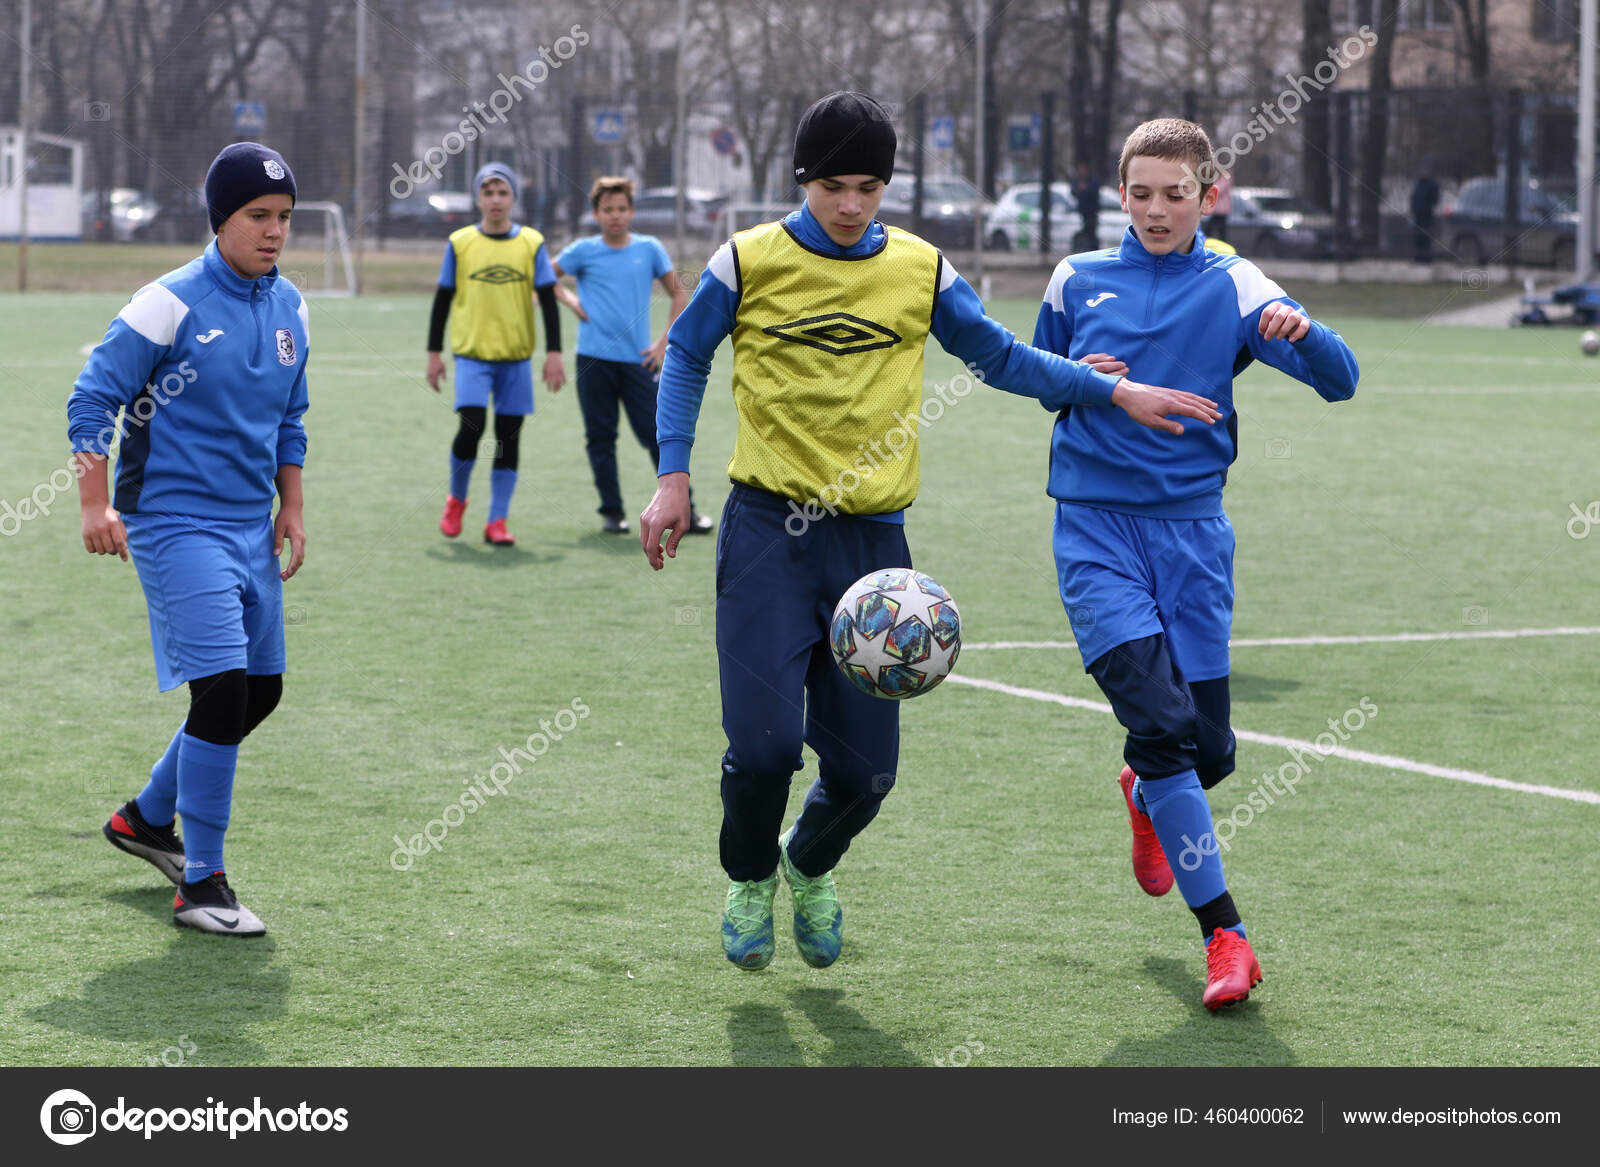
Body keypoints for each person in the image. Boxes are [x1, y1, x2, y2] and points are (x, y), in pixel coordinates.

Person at [639, 92, 1221, 973]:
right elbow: (686, 354)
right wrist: (671, 476)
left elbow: (996, 355)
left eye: (868, 186)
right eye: (832, 185)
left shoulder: (920, 266)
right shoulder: (746, 260)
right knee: (761, 750)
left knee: (868, 776)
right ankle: (752, 874)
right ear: (803, 180)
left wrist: (1107, 388)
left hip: (874, 551)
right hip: (767, 532)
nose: (849, 205)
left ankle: (809, 862)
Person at [1032, 117, 1359, 1009]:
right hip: (1095, 534)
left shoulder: (1236, 280)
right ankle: (1228, 936)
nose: (1157, 210)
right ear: (1120, 191)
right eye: (1140, 193)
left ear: (1209, 192)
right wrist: (1083, 376)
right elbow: (1041, 376)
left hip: (1194, 540)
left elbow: (1341, 380)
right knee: (1171, 732)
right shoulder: (1076, 278)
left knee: (1206, 756)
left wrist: (1302, 329)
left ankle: (1145, 788)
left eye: (1177, 193)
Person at [71, 142, 311, 937]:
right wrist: (94, 504)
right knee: (222, 689)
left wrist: (292, 509)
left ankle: (144, 817)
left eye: (283, 217)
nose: (274, 231)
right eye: (257, 217)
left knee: (261, 691)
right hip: (174, 522)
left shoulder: (293, 308)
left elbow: (289, 419)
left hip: (251, 523)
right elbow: (91, 397)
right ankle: (202, 883)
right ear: (221, 219)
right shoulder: (164, 303)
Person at [553, 176, 711, 536]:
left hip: (639, 362)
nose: (615, 216)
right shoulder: (583, 250)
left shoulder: (650, 248)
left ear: (631, 211)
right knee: (600, 437)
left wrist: (662, 344)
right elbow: (544, 276)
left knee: (657, 434)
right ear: (596, 213)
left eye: (622, 209)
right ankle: (612, 513)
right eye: (607, 209)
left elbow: (678, 294)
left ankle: (687, 509)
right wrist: (571, 299)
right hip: (592, 361)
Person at [426, 162, 565, 547]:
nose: (496, 200)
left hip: (516, 360)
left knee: (508, 439)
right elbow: (442, 299)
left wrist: (554, 353)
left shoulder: (532, 243)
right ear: (477, 198)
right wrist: (434, 354)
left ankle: (497, 521)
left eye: (503, 192)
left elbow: (550, 302)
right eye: (488, 192)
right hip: (472, 357)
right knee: (470, 426)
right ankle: (456, 499)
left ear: (513, 197)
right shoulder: (459, 243)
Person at [1070, 160, 1102, 251]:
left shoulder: (1093, 180)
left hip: (1091, 212)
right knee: (1084, 232)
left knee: (1091, 232)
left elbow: (1095, 191)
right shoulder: (1078, 180)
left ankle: (1093, 248)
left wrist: (1086, 189)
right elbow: (1073, 191)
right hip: (1082, 211)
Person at [1409, 170, 1440, 264]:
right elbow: (1413, 198)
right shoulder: (1418, 184)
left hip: (1426, 214)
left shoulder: (1432, 184)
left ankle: (1426, 258)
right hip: (1417, 214)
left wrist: (1428, 207)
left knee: (1426, 236)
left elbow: (1435, 199)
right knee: (1417, 236)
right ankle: (1418, 257)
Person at [1207, 168, 1232, 243]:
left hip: (1221, 211)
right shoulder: (1219, 177)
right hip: (1217, 211)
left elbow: (1219, 189)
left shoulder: (1226, 177)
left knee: (1219, 231)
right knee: (1213, 230)